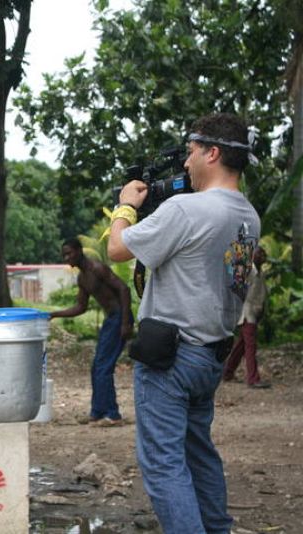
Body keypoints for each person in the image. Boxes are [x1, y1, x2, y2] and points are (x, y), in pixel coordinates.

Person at [107, 112, 260, 534]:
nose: (186, 163)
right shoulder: (248, 216)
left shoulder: (187, 210)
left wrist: (125, 205)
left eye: (191, 152)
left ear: (212, 153)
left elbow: (118, 248)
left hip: (170, 361)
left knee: (163, 466)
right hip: (209, 356)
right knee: (199, 455)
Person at [49, 237, 132, 426]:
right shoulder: (82, 278)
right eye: (64, 255)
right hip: (110, 320)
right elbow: (81, 307)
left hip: (118, 317)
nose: (66, 258)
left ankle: (112, 415)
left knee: (103, 367)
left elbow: (124, 289)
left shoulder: (97, 268)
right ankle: (97, 412)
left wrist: (126, 322)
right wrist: (54, 314)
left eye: (69, 253)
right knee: (97, 367)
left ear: (79, 251)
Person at [223, 245, 270, 388]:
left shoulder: (261, 274)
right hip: (247, 314)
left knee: (241, 346)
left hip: (254, 313)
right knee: (250, 346)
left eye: (263, 254)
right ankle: (253, 379)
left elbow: (261, 295)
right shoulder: (247, 271)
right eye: (259, 254)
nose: (262, 257)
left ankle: (227, 373)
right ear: (253, 256)